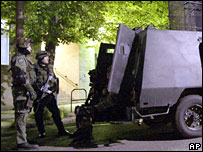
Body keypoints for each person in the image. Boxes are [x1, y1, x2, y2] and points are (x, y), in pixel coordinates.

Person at [33, 51, 72, 138]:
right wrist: (38, 92)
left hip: (49, 95)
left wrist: (54, 90)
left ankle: (61, 130)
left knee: (56, 112)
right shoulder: (34, 68)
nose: (47, 59)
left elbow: (54, 79)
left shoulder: (49, 68)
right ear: (41, 58)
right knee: (39, 113)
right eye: (46, 57)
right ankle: (42, 132)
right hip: (39, 95)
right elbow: (33, 81)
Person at [10, 37, 39, 150]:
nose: (30, 48)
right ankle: (21, 142)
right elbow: (22, 77)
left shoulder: (23, 58)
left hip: (24, 91)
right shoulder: (20, 59)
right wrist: (31, 90)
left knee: (24, 114)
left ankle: (23, 138)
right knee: (21, 115)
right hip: (22, 91)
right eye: (29, 46)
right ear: (24, 47)